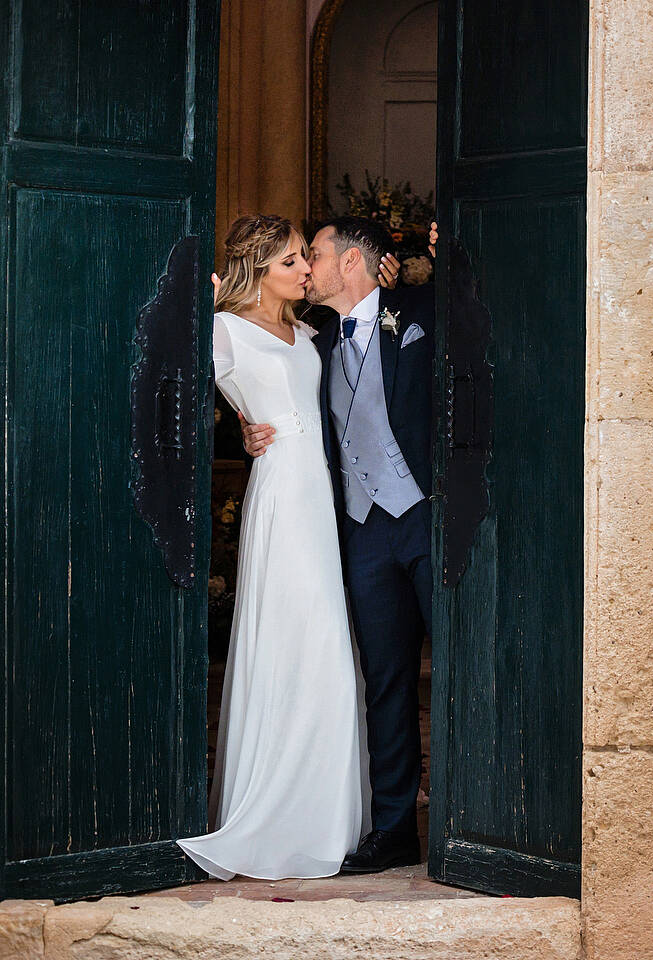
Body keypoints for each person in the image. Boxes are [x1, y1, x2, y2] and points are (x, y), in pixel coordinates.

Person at [242, 217, 439, 874]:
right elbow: (266, 380)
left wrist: (451, 256)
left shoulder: (420, 310)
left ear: (352, 262)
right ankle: (393, 833)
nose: (306, 268)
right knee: (384, 683)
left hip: (428, 520)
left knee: (462, 674)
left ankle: (472, 822)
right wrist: (249, 429)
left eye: (315, 256)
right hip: (360, 532)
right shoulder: (310, 339)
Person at [177, 214, 370, 880]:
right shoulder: (224, 331)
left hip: (328, 494)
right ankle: (274, 815)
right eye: (291, 261)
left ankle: (326, 814)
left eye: (302, 258)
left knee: (328, 647)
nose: (304, 270)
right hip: (285, 495)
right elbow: (163, 387)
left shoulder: (311, 331)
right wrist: (239, 430)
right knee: (297, 635)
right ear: (258, 268)